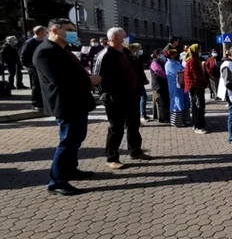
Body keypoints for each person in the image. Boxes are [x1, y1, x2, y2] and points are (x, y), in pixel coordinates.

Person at [33, 18, 101, 195]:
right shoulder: (45, 52)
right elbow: (58, 80)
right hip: (65, 104)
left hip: (76, 102)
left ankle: (70, 170)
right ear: (55, 30)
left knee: (76, 139)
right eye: (69, 29)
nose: (73, 33)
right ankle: (57, 181)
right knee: (67, 141)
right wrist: (89, 81)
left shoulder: (62, 49)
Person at [93, 28, 152, 170]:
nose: (127, 38)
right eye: (123, 36)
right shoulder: (105, 54)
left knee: (133, 124)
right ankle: (111, 157)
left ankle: (135, 151)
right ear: (113, 38)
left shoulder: (126, 52)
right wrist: (107, 94)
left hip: (131, 95)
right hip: (114, 97)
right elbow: (97, 78)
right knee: (116, 128)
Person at [20, 25, 48, 110]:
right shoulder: (30, 42)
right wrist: (29, 66)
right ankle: (36, 103)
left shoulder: (44, 41)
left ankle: (44, 102)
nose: (46, 33)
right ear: (40, 32)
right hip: (34, 67)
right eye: (45, 31)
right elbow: (23, 55)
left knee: (43, 85)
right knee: (36, 85)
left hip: (43, 66)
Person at [183, 43, 208, 134]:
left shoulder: (192, 60)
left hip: (195, 86)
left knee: (196, 106)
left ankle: (197, 124)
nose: (200, 51)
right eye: (199, 49)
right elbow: (196, 75)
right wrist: (204, 82)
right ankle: (198, 126)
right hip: (196, 86)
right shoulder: (193, 61)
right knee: (199, 106)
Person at [165, 49, 190, 127]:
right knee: (176, 102)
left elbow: (184, 69)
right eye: (175, 54)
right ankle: (176, 122)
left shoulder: (177, 62)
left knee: (183, 101)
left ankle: (184, 119)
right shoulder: (168, 64)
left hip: (181, 85)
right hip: (174, 86)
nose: (176, 55)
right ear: (171, 55)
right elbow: (178, 71)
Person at [128, 43, 151, 122]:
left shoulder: (137, 57)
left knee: (142, 97)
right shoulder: (134, 58)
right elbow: (137, 71)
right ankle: (141, 115)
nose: (141, 50)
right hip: (137, 82)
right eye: (140, 49)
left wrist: (145, 79)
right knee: (141, 98)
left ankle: (142, 115)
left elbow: (141, 70)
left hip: (139, 81)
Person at [149, 49, 170, 124]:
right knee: (160, 102)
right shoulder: (154, 62)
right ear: (157, 54)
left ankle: (165, 117)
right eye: (161, 53)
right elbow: (158, 71)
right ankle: (162, 118)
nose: (163, 55)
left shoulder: (162, 61)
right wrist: (168, 75)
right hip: (157, 86)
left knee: (164, 101)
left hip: (163, 85)